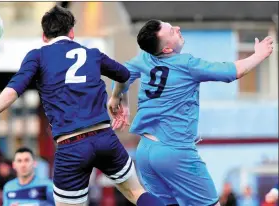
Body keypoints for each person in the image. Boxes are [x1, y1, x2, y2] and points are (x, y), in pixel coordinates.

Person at [0, 6, 164, 206]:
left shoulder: (38, 56)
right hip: (104, 138)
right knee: (136, 192)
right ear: (71, 33)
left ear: (44, 36)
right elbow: (123, 74)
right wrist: (117, 98)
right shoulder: (92, 53)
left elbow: (14, 89)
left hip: (72, 146)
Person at [108, 19, 273, 206]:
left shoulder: (144, 58)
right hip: (174, 151)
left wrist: (118, 98)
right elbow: (233, 71)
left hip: (145, 151)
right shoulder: (187, 64)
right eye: (171, 31)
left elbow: (121, 74)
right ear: (167, 49)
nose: (177, 28)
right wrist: (259, 55)